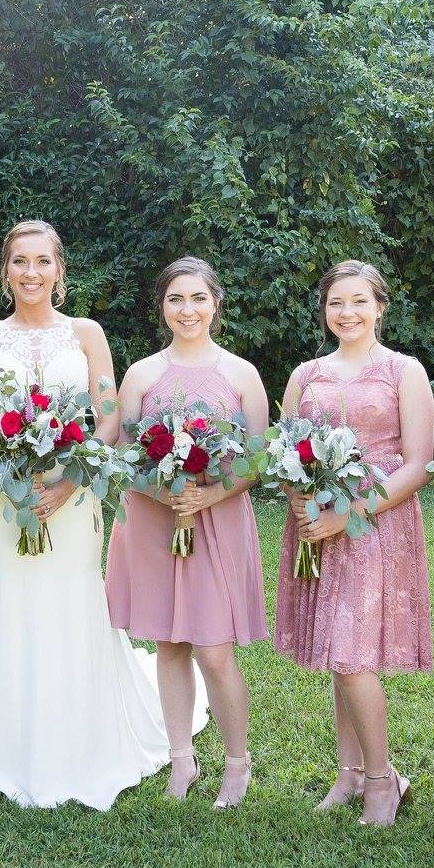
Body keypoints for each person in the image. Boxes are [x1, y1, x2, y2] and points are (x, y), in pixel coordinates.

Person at [0, 220, 204, 808]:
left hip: (75, 497)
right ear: (5, 271)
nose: (31, 273)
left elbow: (108, 418)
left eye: (43, 261)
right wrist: (11, 474)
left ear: (59, 270)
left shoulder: (87, 333)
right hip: (5, 500)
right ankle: (5, 738)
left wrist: (69, 483)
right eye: (20, 261)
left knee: (72, 597)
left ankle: (79, 735)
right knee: (10, 595)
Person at [274, 260, 434, 827]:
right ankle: (349, 775)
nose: (347, 312)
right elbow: (284, 449)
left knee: (350, 656)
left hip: (374, 523)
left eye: (359, 301)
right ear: (324, 310)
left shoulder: (403, 371)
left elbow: (419, 463)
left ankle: (383, 781)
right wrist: (299, 497)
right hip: (315, 522)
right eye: (336, 302)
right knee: (337, 655)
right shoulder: (305, 374)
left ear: (380, 307)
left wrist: (350, 514)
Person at [104, 257, 268, 809]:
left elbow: (257, 457)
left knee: (214, 650)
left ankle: (237, 764)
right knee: (168, 643)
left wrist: (208, 496)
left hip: (217, 520)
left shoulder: (240, 373)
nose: (187, 309)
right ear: (162, 307)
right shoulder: (142, 374)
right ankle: (181, 759)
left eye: (198, 297)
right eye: (176, 299)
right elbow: (124, 452)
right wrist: (164, 494)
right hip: (155, 519)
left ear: (215, 303)